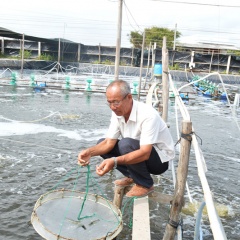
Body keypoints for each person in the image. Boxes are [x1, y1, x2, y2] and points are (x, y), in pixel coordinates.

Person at [78, 80, 175, 197]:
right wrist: (89, 152)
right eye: (109, 103)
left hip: (158, 161)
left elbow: (145, 153)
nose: (112, 107)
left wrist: (114, 161)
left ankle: (145, 184)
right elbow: (108, 143)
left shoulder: (148, 115)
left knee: (126, 144)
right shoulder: (117, 113)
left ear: (129, 97)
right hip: (137, 152)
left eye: (116, 102)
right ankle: (132, 177)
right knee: (102, 143)